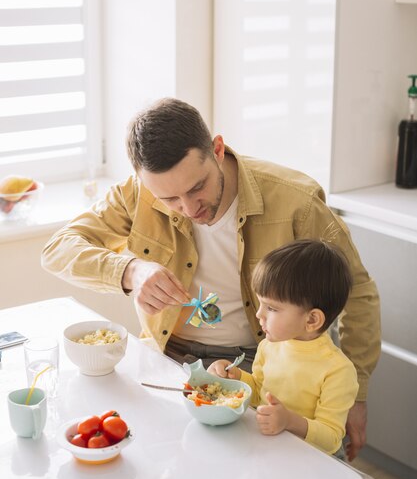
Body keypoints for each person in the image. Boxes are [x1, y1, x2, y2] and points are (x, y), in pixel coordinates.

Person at [41, 97, 380, 460]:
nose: (189, 209)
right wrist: (130, 271)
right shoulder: (135, 194)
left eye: (196, 187)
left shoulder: (295, 201)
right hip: (168, 357)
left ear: (217, 149)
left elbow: (357, 292)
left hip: (259, 362)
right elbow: (57, 249)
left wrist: (357, 394)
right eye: (169, 198)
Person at [208, 239, 359, 457]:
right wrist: (236, 376)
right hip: (273, 450)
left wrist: (289, 421)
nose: (259, 314)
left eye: (271, 308)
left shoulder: (337, 370)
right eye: (260, 303)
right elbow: (260, 392)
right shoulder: (269, 346)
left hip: (313, 461)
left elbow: (331, 438)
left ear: (312, 320)